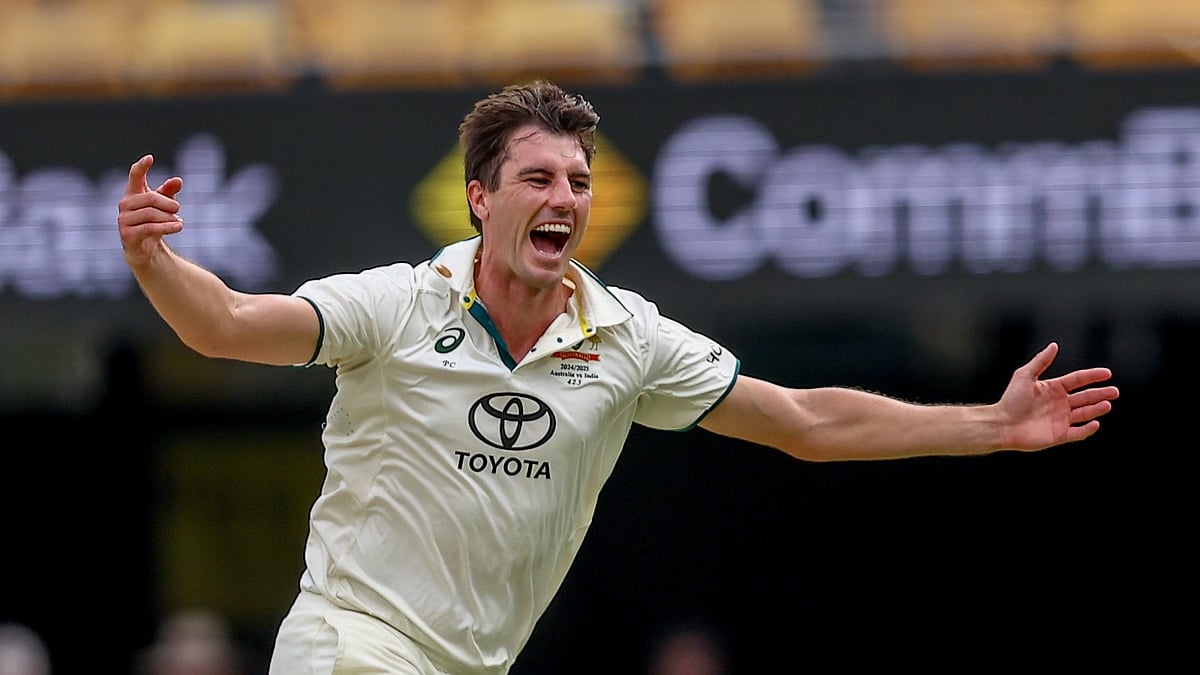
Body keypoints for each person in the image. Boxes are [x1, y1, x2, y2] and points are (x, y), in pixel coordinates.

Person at [116, 80, 1119, 675]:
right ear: (479, 199)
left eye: (579, 181)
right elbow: (226, 325)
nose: (564, 197)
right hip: (351, 644)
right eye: (537, 178)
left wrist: (988, 426)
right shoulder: (395, 305)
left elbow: (804, 420)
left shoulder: (628, 338)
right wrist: (155, 260)